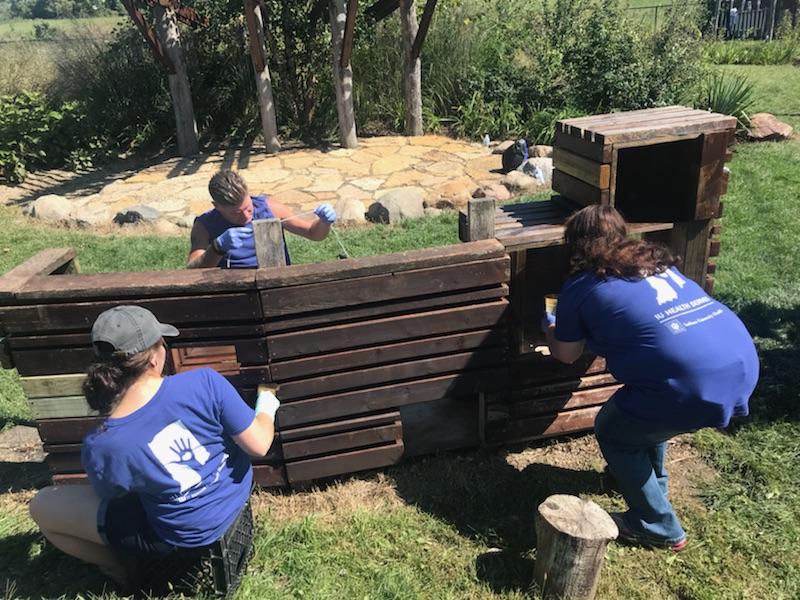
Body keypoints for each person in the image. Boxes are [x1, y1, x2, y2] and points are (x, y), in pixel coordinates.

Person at [543, 205, 758, 551]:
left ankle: (656, 525)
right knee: (644, 414)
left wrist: (552, 324)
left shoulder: (581, 286)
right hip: (741, 363)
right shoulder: (657, 264)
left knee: (614, 429)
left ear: (576, 246)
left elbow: (566, 354)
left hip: (691, 385)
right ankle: (653, 487)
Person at [29, 305, 280, 585]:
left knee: (41, 506)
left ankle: (118, 568)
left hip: (177, 538)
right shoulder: (205, 382)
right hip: (234, 502)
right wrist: (267, 405)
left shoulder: (103, 442)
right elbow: (259, 445)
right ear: (154, 358)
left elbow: (113, 495)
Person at [187, 169, 337, 268]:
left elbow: (313, 233)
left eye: (248, 208)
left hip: (276, 281)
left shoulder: (269, 207)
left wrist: (324, 222)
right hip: (233, 290)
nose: (246, 216)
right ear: (217, 206)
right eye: (236, 213)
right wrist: (217, 248)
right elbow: (193, 270)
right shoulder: (204, 225)